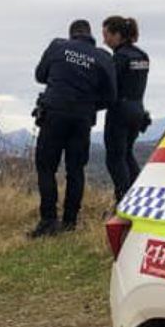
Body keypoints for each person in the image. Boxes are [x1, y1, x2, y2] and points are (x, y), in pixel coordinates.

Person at [30, 19, 116, 238]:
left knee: (46, 167)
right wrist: (88, 105)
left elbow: (40, 75)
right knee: (75, 170)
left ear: (72, 35)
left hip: (54, 114)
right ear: (90, 34)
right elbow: (111, 96)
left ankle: (48, 221)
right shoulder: (103, 57)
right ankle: (70, 223)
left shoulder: (58, 46)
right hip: (82, 119)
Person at [101, 16, 151, 204]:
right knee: (127, 154)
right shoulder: (142, 56)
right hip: (138, 111)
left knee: (114, 158)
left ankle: (123, 201)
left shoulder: (120, 57)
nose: (104, 40)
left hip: (119, 112)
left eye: (107, 35)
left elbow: (110, 87)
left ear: (118, 35)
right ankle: (137, 200)